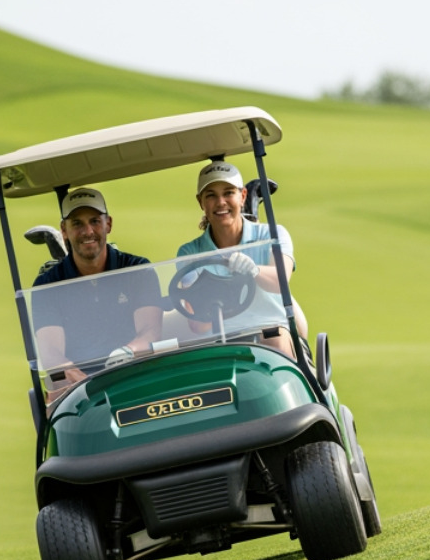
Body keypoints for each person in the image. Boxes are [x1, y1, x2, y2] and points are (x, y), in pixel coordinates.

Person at [31, 187, 162, 394]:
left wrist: (126, 352)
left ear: (108, 224)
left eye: (94, 221)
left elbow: (150, 332)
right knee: (53, 394)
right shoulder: (47, 285)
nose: (88, 231)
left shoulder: (138, 270)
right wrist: (89, 386)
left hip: (132, 373)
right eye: (77, 224)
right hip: (77, 388)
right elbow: (51, 355)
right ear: (64, 230)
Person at [176, 161, 306, 356]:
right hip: (220, 340)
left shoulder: (272, 234)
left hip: (270, 330)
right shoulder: (189, 253)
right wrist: (202, 293)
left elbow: (280, 281)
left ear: (243, 196)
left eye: (228, 193)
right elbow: (198, 326)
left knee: (275, 341)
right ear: (200, 202)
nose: (221, 202)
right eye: (211, 195)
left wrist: (254, 270)